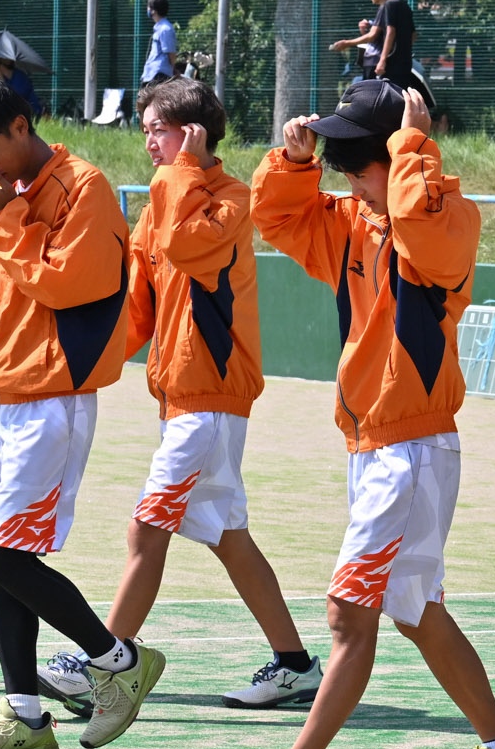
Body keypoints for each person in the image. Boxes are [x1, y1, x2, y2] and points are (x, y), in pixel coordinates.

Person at [198, 77, 495, 749]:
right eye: (342, 163)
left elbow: (425, 231)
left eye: (362, 162)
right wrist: (293, 163)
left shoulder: (444, 216)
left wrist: (413, 148)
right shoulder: (354, 222)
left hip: (411, 450)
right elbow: (279, 219)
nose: (349, 176)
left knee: (348, 614)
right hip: (378, 448)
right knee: (418, 613)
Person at [43, 79, 319, 715]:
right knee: (229, 537)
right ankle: (295, 665)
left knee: (147, 529)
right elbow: (136, 310)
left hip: (211, 398)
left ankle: (104, 661)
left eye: (160, 131)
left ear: (194, 135)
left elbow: (183, 245)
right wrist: (73, 371)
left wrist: (182, 170)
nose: (149, 142)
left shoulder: (231, 199)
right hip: (182, 399)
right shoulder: (163, 201)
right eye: (145, 130)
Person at [0, 75, 163, 749]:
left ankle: (118, 662)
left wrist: (3, 215)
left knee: (7, 557)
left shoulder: (83, 188)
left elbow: (69, 284)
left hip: (50, 401)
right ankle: (25, 718)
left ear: (20, 125)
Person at [367, 0, 415, 86]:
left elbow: (390, 31)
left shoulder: (389, 4)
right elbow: (413, 35)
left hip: (392, 64)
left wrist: (382, 60)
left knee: (388, 94)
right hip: (405, 63)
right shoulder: (405, 6)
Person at [142, 0, 177, 85]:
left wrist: (174, 70)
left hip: (159, 75)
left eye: (148, 7)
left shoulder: (165, 29)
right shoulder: (159, 27)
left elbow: (171, 53)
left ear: (154, 11)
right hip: (151, 74)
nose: (147, 9)